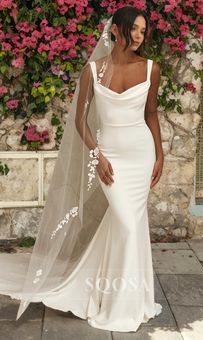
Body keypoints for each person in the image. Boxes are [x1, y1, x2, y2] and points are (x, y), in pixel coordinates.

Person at [0, 5, 164, 332]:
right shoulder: (93, 70)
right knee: (127, 225)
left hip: (141, 155)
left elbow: (150, 115)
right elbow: (80, 121)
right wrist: (98, 155)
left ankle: (129, 299)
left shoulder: (151, 69)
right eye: (134, 28)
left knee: (128, 226)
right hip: (111, 158)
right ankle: (119, 300)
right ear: (116, 29)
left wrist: (160, 155)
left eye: (143, 31)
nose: (138, 36)